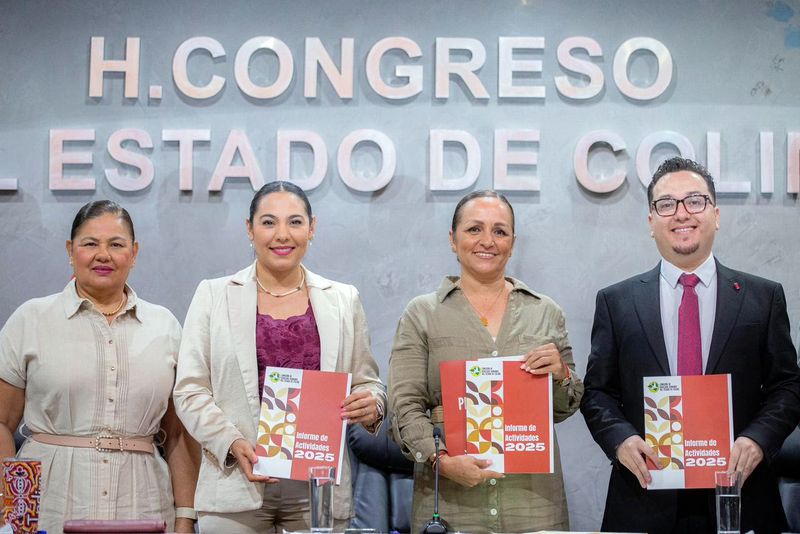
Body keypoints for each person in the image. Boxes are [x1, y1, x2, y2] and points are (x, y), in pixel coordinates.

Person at [580, 157, 800, 533]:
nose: (681, 213)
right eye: (666, 204)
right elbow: (597, 392)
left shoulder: (762, 298)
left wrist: (756, 440)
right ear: (651, 222)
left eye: (694, 201)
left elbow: (788, 386)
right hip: (645, 496)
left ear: (715, 214)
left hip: (740, 496)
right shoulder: (616, 302)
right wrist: (622, 440)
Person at [173, 181, 386, 533]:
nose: (282, 235)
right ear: (249, 229)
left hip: (318, 486)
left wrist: (373, 404)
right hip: (235, 481)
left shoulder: (343, 299)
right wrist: (231, 442)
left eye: (295, 222)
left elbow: (368, 382)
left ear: (312, 228)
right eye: (269, 222)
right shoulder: (213, 295)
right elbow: (190, 390)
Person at [388, 190, 583, 533]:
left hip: (532, 501)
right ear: (453, 239)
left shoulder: (545, 312)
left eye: (500, 231)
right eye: (474, 229)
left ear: (513, 241)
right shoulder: (422, 314)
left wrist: (561, 373)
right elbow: (404, 405)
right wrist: (441, 462)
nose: (487, 241)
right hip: (449, 500)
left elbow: (565, 407)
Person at [0, 200, 199, 534]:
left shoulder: (165, 326)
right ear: (70, 250)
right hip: (48, 502)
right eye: (90, 243)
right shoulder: (31, 319)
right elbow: (2, 422)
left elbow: (178, 433)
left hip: (144, 504)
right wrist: (11, 511)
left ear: (134, 253)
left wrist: (184, 518)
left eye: (116, 244)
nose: (103, 255)